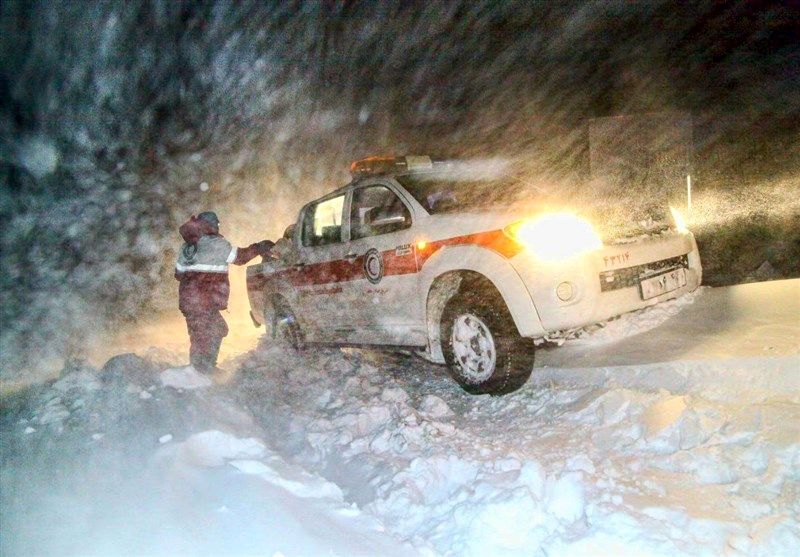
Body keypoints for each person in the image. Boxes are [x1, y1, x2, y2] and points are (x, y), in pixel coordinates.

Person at [175, 211, 273, 373]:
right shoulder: (216, 243)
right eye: (217, 224)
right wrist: (259, 247)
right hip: (204, 302)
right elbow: (240, 258)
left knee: (202, 334)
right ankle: (202, 371)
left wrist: (196, 272)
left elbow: (178, 274)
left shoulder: (187, 247)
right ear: (211, 225)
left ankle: (201, 369)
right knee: (208, 334)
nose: (218, 228)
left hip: (190, 301)